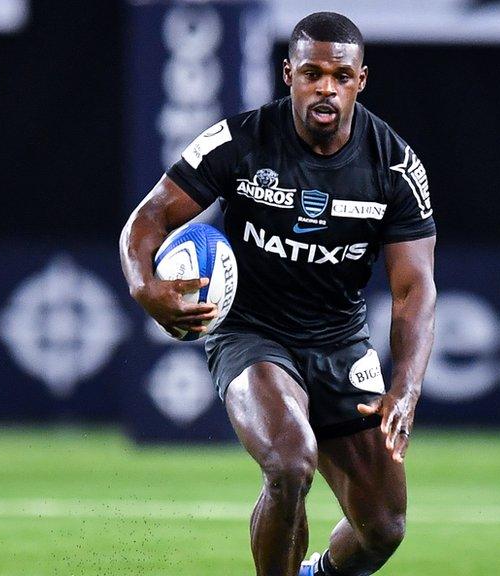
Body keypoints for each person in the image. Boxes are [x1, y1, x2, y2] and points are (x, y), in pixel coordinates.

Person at [120, 12, 436, 576]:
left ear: (360, 80)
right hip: (251, 334)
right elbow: (149, 218)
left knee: (383, 528)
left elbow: (414, 289)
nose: (325, 88)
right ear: (287, 73)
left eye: (340, 76)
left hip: (341, 341)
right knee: (291, 465)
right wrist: (145, 287)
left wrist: (406, 387)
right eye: (311, 73)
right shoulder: (240, 141)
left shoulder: (394, 164)